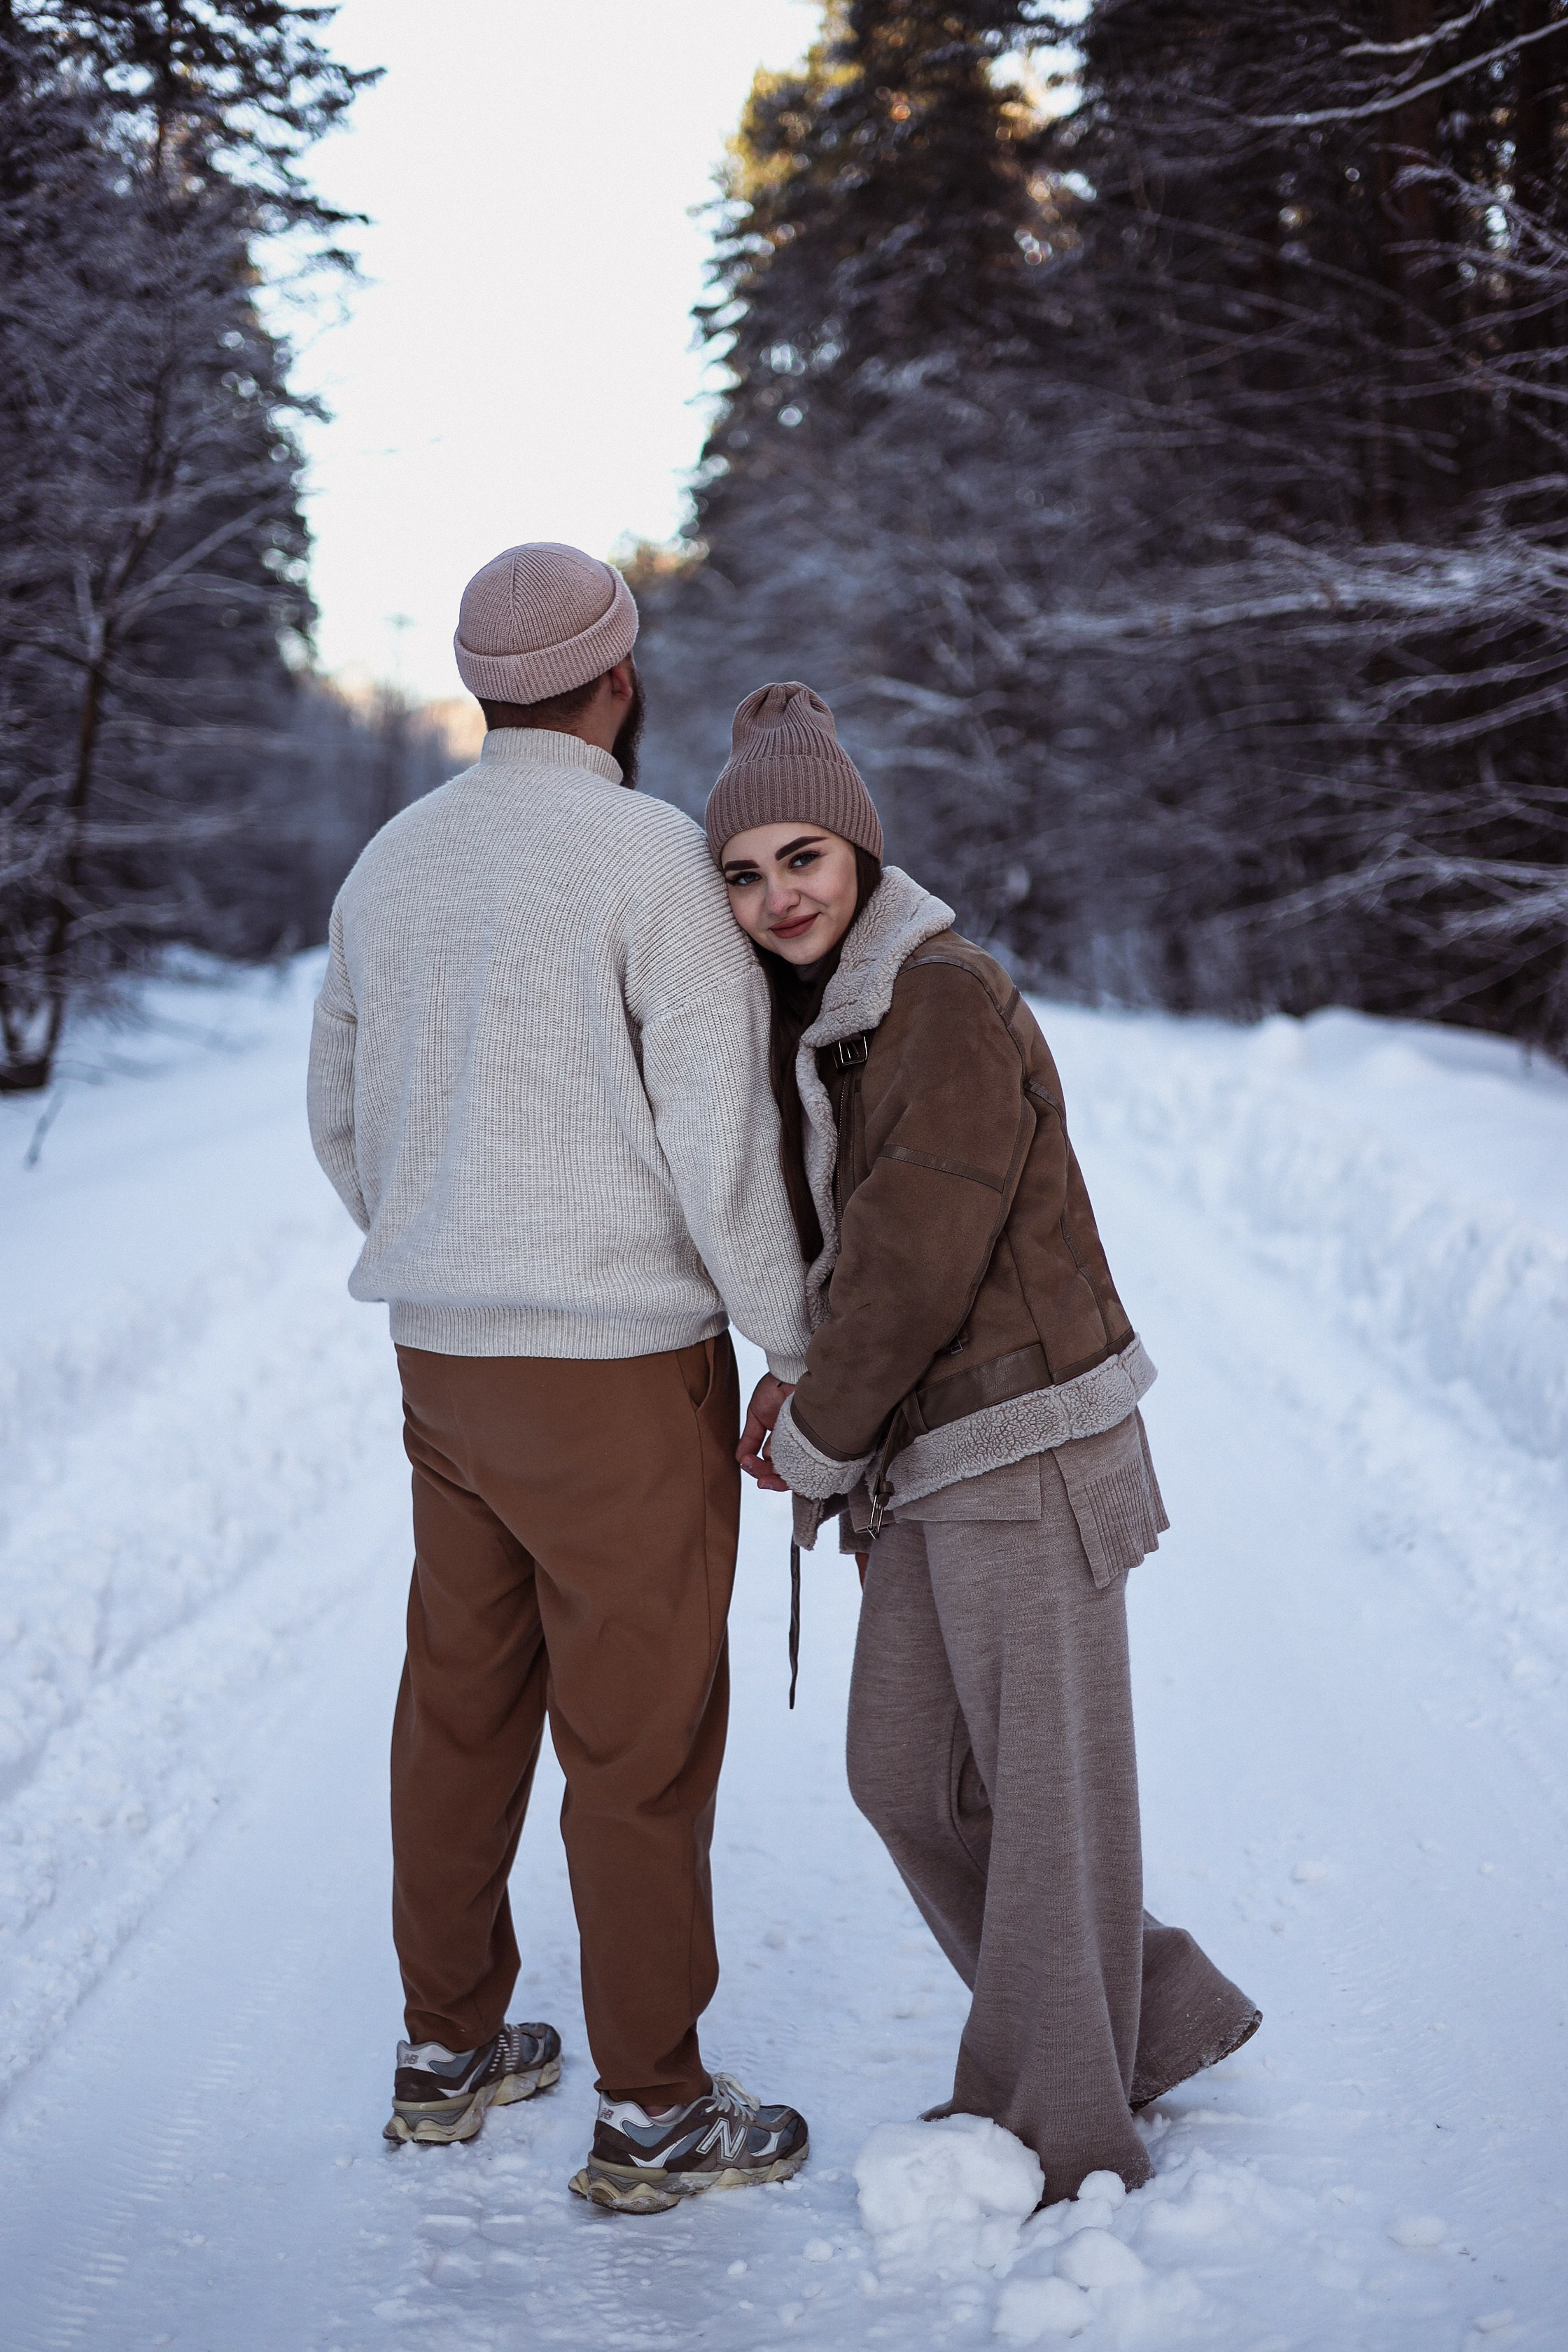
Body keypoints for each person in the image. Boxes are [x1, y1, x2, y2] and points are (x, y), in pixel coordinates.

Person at [307, 545, 810, 2215]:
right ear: (619, 679)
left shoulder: (391, 865)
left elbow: (338, 1111)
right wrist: (801, 1359)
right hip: (618, 1372)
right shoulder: (651, 859)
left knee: (458, 1707)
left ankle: (447, 2050)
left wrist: (444, 1231)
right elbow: (723, 1145)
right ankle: (655, 2110)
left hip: (444, 1364)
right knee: (638, 1741)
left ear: (477, 688)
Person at [710, 680, 1261, 2205]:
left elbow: (916, 1255)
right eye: (744, 874)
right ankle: (1151, 2017)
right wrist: (816, 1398)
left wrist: (817, 1437)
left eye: (802, 857)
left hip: (1022, 1445)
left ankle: (1060, 2128)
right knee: (904, 1774)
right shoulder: (836, 1019)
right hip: (926, 1460)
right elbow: (844, 1262)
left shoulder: (939, 995)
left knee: (1045, 1803)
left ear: (862, 853)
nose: (776, 896)